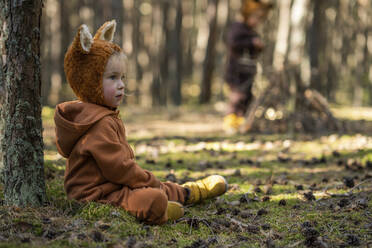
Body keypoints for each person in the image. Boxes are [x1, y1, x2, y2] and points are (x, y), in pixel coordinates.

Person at [54, 20, 228, 225]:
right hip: (95, 195)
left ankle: (191, 192)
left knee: (152, 186)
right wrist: (150, 182)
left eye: (122, 77)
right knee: (151, 196)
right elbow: (120, 169)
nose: (121, 85)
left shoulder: (104, 115)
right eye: (112, 78)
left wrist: (149, 182)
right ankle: (163, 208)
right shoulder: (97, 124)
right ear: (91, 82)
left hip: (113, 185)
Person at [223, 0, 273, 133]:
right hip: (236, 71)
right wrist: (251, 42)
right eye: (255, 18)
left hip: (248, 71)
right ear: (247, 15)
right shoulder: (238, 27)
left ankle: (241, 125)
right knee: (236, 99)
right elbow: (233, 43)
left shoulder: (251, 31)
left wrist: (258, 46)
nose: (257, 22)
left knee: (247, 98)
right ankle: (230, 125)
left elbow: (254, 51)